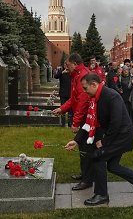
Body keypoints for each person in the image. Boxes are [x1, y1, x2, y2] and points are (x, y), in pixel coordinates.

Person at [64, 73, 133, 206]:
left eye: (85, 88)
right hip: (115, 136)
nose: (84, 91)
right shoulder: (95, 98)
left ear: (94, 84)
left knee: (98, 157)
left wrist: (104, 141)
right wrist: (76, 140)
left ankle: (101, 194)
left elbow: (116, 123)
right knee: (113, 166)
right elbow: (89, 122)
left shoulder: (111, 96)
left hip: (121, 136)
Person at [52, 53, 92, 190]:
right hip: (84, 118)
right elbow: (73, 99)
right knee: (82, 147)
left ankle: (87, 179)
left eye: (67, 65)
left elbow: (82, 101)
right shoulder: (76, 75)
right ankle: (85, 174)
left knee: (86, 148)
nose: (65, 68)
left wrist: (75, 122)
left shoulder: (82, 76)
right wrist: (62, 109)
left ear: (75, 64)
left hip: (87, 119)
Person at [54, 63, 72, 127]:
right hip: (63, 93)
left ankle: (70, 123)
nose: (66, 66)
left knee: (70, 110)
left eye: (67, 65)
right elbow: (56, 76)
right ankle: (63, 123)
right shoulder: (61, 71)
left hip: (70, 93)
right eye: (65, 65)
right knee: (63, 109)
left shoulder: (71, 72)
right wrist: (61, 72)